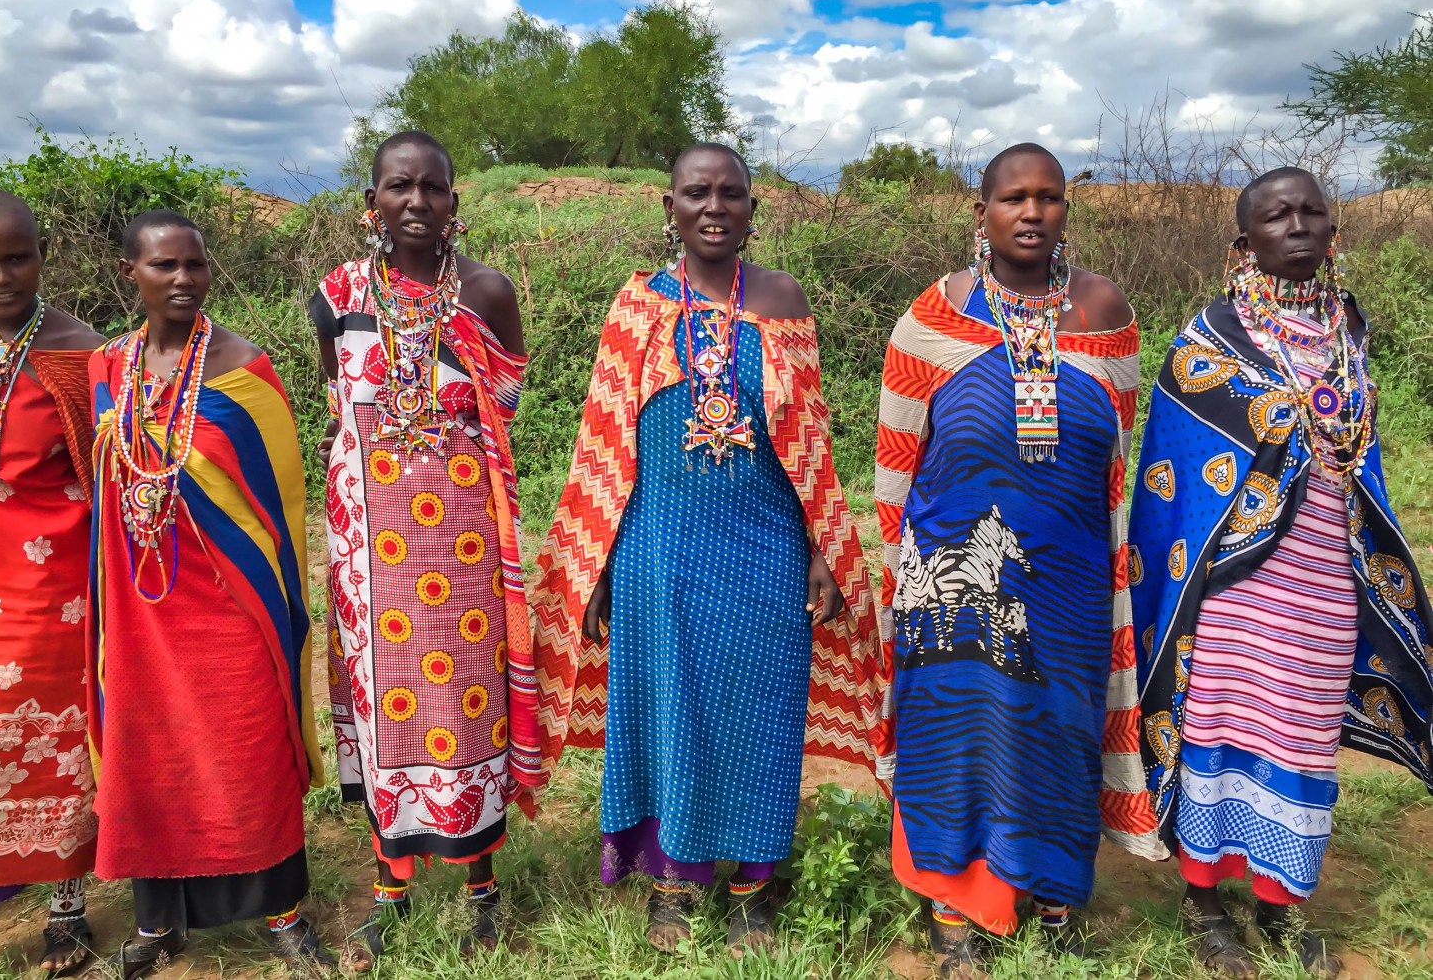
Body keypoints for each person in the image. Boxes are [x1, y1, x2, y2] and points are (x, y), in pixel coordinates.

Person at [529, 142, 887, 956]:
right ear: (670, 207)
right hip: (658, 547)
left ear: (753, 210)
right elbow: (602, 444)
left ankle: (754, 890)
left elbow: (814, 438)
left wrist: (823, 550)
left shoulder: (782, 299)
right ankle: (674, 883)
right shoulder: (637, 305)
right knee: (669, 710)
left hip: (764, 547)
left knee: (762, 708)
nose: (715, 207)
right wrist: (599, 566)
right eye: (698, 193)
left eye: (732, 194)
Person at [1130, 167, 1433, 979]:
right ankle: (1203, 901)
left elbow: (1360, 461)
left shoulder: (1349, 335)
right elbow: (1172, 478)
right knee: (1221, 730)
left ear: (1334, 231)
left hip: (1327, 581)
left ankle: (1280, 900)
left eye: (1312, 212)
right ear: (1245, 241)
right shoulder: (1208, 342)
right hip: (1230, 585)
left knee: (1301, 735)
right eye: (1277, 215)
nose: (1297, 226)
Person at [874, 143, 1166, 977]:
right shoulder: (927, 321)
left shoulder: (1106, 314)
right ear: (982, 214)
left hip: (1071, 581)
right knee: (957, 730)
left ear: (1066, 211)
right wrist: (908, 581)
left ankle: (1054, 895)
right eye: (1014, 199)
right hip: (951, 572)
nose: (1032, 213)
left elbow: (1114, 453)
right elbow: (895, 466)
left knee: (1059, 733)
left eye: (1050, 198)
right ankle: (953, 906)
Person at [85, 211, 330, 980]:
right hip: (138, 607)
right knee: (148, 752)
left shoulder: (245, 372)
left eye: (195, 264)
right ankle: (158, 920)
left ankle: (283, 915)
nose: (184, 279)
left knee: (248, 747)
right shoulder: (105, 369)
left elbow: (280, 511)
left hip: (231, 605)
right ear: (132, 274)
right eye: (165, 266)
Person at [311, 131, 533, 967]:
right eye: (397, 187)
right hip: (371, 545)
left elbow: (502, 403)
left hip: (464, 542)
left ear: (454, 200)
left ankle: (483, 889)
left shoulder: (486, 291)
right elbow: (340, 400)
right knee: (383, 702)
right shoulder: (334, 295)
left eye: (432, 187)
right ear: (371, 203)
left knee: (467, 700)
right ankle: (390, 890)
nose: (416, 201)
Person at [0, 190, 102, 973]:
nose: (0, 275)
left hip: (53, 591)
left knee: (59, 743)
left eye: (17, 256)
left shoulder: (82, 353)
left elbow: (108, 475)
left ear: (43, 253)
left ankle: (66, 909)